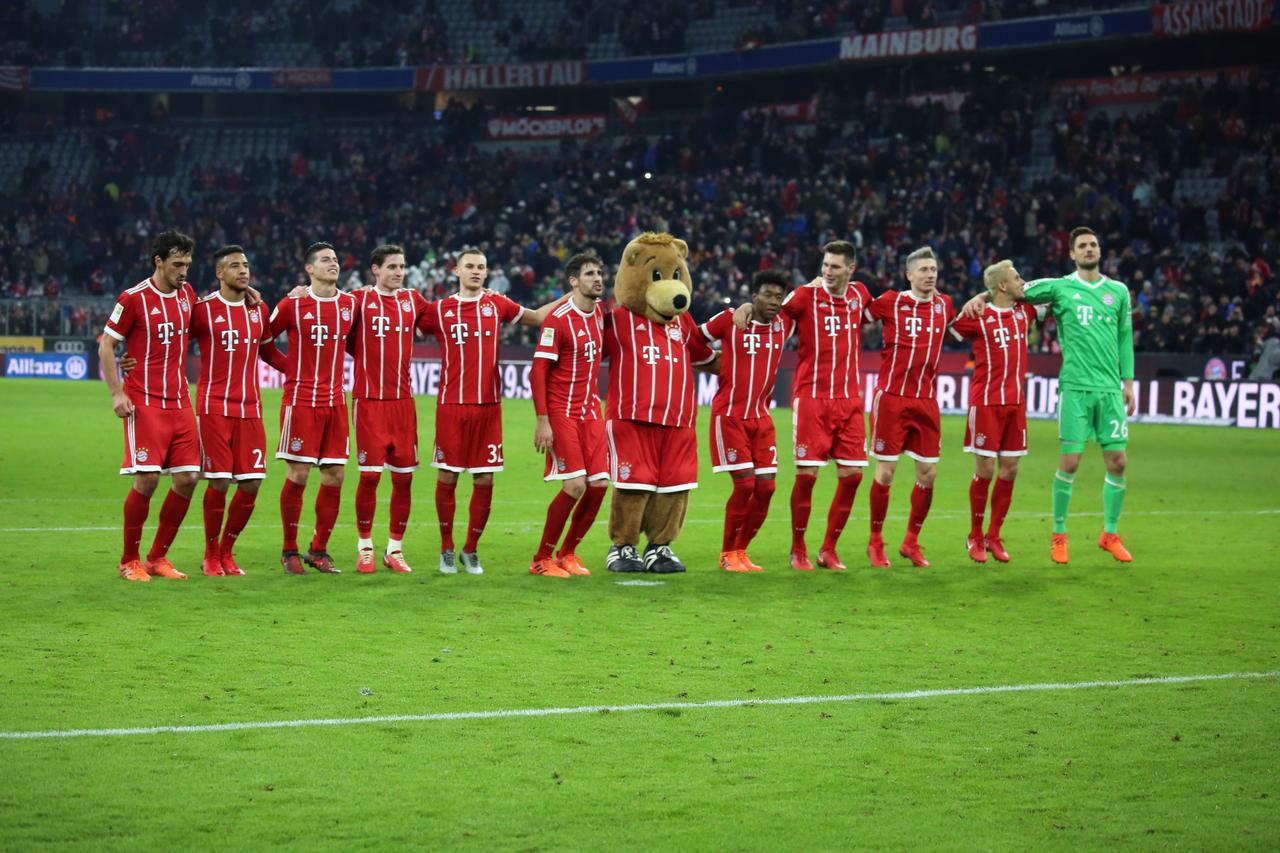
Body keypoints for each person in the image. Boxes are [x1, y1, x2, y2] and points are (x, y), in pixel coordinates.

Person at [961, 226, 1136, 564]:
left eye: (1093, 245)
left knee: (1119, 461)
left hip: (1110, 390)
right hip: (1074, 388)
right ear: (1071, 253)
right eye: (1082, 246)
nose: (1089, 250)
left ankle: (1110, 534)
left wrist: (1127, 382)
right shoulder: (1059, 288)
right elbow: (1012, 289)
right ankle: (1059, 536)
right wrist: (981, 297)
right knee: (1070, 461)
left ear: (1100, 251)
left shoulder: (1119, 291)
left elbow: (1124, 337)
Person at [416, 247, 562, 575]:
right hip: (452, 406)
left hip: (489, 407)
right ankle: (446, 549)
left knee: (484, 479)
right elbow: (399, 313)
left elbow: (538, 317)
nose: (476, 272)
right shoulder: (439, 310)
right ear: (456, 270)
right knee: (447, 476)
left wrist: (572, 294)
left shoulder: (496, 304)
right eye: (470, 266)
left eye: (481, 267)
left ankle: (471, 549)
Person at [737, 240, 875, 572]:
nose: (828, 272)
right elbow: (768, 312)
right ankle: (798, 549)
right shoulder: (804, 296)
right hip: (812, 398)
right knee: (807, 475)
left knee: (853, 476)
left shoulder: (860, 295)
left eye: (836, 267)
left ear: (850, 270)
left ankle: (829, 549)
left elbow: (891, 306)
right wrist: (743, 308)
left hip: (850, 400)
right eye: (825, 265)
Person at [98, 230, 201, 582]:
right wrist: (116, 393)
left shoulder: (188, 294)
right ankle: (129, 560)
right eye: (177, 264)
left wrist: (246, 296)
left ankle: (157, 558)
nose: (184, 271)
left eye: (187, 263)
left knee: (188, 478)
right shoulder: (133, 298)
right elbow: (106, 346)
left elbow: (210, 322)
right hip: (144, 402)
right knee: (147, 479)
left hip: (180, 401)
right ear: (158, 261)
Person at [189, 245, 288, 576]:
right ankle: (210, 553)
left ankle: (228, 551)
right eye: (234, 266)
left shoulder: (258, 308)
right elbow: (173, 340)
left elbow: (269, 351)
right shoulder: (202, 310)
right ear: (220, 273)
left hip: (250, 409)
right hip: (214, 407)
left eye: (246, 265)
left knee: (251, 483)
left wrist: (298, 371)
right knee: (218, 482)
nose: (243, 271)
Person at [267, 242, 359, 575]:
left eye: (335, 259)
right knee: (300, 473)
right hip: (301, 401)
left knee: (335, 475)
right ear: (309, 269)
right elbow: (263, 339)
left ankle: (318, 551)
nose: (333, 264)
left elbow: (363, 345)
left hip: (335, 402)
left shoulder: (350, 304)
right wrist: (289, 368)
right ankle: (289, 550)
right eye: (325, 260)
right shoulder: (292, 303)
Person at [865, 247, 956, 568]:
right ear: (909, 274)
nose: (930, 274)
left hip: (926, 401)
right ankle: (876, 542)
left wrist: (984, 298)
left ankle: (911, 541)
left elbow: (967, 321)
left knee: (928, 474)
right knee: (886, 472)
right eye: (924, 270)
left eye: (934, 269)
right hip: (891, 398)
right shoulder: (891, 301)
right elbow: (854, 316)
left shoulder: (945, 305)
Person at [949, 260, 1045, 563]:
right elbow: (949, 330)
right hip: (986, 402)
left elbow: (1053, 293)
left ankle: (994, 535)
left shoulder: (1024, 311)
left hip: (1015, 405)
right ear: (1002, 285)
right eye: (1017, 278)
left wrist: (985, 294)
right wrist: (979, 299)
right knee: (986, 470)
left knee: (1011, 469)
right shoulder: (977, 315)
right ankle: (975, 535)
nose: (1023, 282)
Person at [701, 269, 793, 572]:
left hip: (762, 419)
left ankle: (741, 550)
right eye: (767, 294)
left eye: (778, 296)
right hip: (730, 416)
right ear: (753, 295)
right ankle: (727, 553)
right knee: (745, 486)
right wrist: (708, 361)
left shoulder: (784, 323)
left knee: (766, 489)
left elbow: (809, 295)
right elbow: (694, 337)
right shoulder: (729, 320)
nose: (774, 301)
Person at [349, 244, 431, 574]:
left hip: (403, 404)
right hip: (368, 402)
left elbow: (445, 317)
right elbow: (325, 311)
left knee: (404, 479)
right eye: (392, 267)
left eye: (402, 266)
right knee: (369, 478)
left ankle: (394, 549)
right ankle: (365, 546)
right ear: (376, 270)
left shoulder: (413, 301)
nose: (399, 272)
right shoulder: (356, 300)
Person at [528, 251, 610, 579]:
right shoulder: (558, 320)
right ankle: (541, 557)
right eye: (589, 274)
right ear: (573, 281)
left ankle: (568, 553)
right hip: (562, 412)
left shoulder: (602, 312)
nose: (598, 279)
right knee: (575, 485)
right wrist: (542, 419)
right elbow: (538, 371)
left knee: (601, 484)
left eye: (599, 273)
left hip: (591, 410)